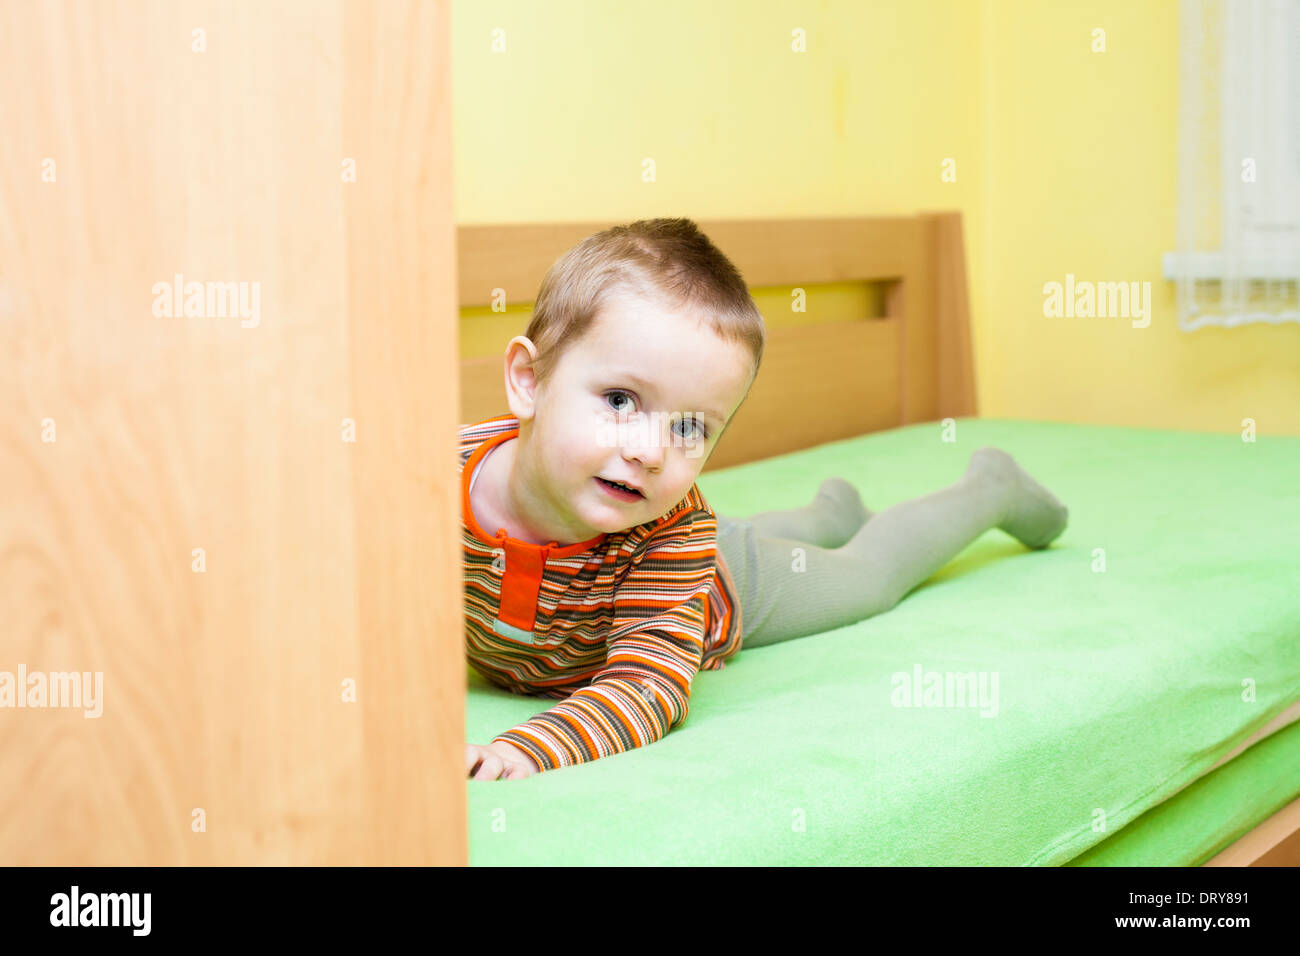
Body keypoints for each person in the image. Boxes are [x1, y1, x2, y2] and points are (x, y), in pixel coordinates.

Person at [464, 218, 1067, 781]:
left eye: (689, 428)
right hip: (684, 539)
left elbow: (645, 686)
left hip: (720, 581)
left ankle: (991, 488)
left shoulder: (673, 532)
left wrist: (524, 749)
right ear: (528, 380)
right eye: (620, 399)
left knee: (865, 579)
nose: (651, 452)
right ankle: (830, 513)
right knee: (727, 530)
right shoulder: (426, 487)